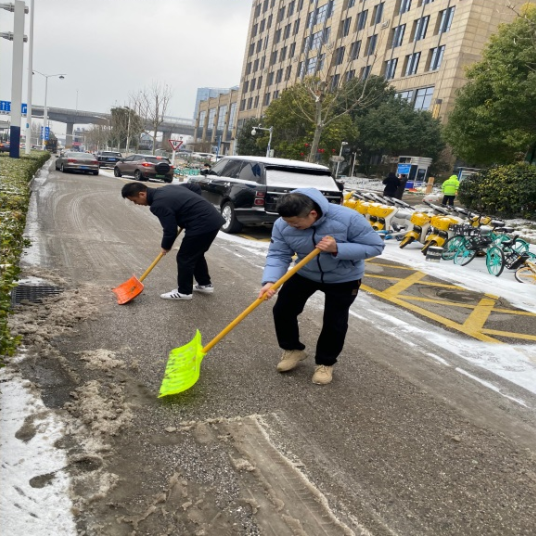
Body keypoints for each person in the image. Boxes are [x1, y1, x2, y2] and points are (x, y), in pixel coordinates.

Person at [258, 189, 384, 386]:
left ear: (313, 214)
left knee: (335, 320)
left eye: (296, 224)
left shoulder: (348, 218)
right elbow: (278, 254)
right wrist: (271, 281)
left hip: (344, 277)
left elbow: (375, 246)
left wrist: (337, 248)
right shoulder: (283, 224)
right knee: (283, 309)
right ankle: (293, 350)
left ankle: (325, 362)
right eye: (287, 222)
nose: (291, 226)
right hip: (305, 272)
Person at [121, 182, 224, 300]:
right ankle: (204, 284)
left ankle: (184, 292)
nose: (136, 204)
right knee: (195, 254)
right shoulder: (168, 188)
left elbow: (170, 230)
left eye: (135, 200)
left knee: (184, 257)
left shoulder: (158, 205)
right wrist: (193, 207)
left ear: (142, 194)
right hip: (212, 220)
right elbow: (194, 187)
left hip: (202, 224)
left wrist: (166, 246)